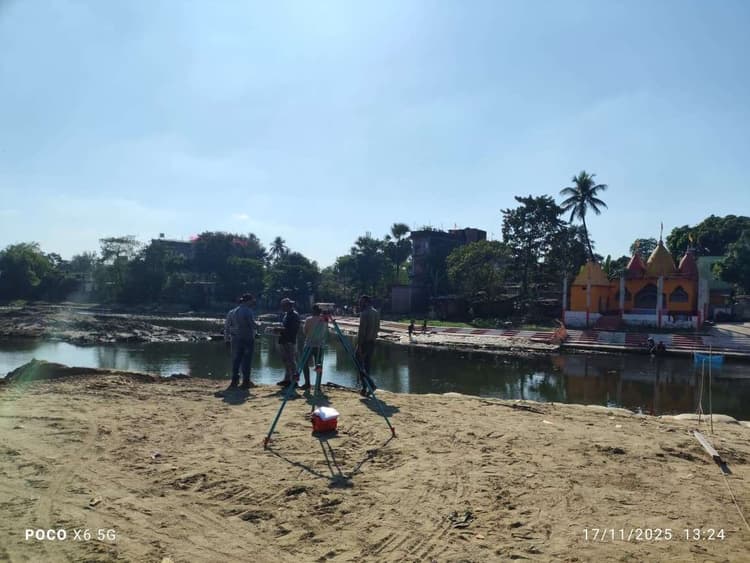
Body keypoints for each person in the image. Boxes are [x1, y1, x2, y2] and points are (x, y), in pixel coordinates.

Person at [223, 293, 257, 390]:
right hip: (247, 339)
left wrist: (226, 339)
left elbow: (226, 327)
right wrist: (259, 324)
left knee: (236, 360)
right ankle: (246, 382)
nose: (253, 303)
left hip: (235, 339)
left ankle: (234, 380)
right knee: (246, 360)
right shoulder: (248, 311)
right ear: (248, 301)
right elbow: (252, 325)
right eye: (252, 301)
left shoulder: (232, 312)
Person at [355, 295, 380, 395]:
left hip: (364, 343)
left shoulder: (364, 313)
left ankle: (370, 385)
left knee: (359, 364)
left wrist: (359, 345)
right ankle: (365, 388)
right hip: (372, 342)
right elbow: (377, 328)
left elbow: (362, 331)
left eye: (361, 302)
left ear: (365, 302)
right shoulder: (376, 312)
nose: (359, 304)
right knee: (367, 366)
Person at [302, 304, 329, 391]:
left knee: (304, 363)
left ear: (313, 310)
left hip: (309, 344)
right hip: (319, 345)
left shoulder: (308, 319)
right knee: (319, 365)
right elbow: (326, 331)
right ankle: (318, 385)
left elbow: (305, 332)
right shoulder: (324, 320)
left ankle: (307, 383)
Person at [276, 298, 301, 387]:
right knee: (285, 360)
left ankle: (294, 381)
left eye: (283, 306)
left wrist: (279, 329)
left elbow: (292, 329)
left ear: (288, 306)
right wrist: (279, 329)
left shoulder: (294, 315)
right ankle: (287, 379)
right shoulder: (286, 315)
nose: (282, 308)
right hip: (283, 340)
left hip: (290, 341)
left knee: (291, 361)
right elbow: (286, 327)